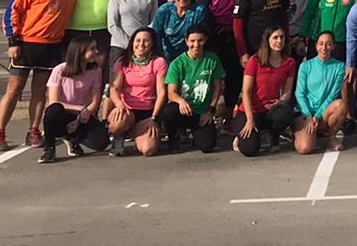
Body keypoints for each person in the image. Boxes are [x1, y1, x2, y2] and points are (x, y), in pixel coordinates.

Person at [0, 0, 78, 151]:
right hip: (26, 44)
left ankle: (33, 130)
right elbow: (12, 11)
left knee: (39, 91)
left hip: (51, 47)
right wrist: (13, 42)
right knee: (14, 90)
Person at [37, 37, 109, 163]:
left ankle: (73, 139)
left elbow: (95, 100)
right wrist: (79, 109)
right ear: (80, 51)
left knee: (101, 143)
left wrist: (87, 112)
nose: (97, 51)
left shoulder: (96, 70)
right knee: (53, 111)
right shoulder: (60, 70)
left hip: (81, 115)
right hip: (63, 113)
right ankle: (50, 149)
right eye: (92, 49)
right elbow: (54, 102)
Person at [235, 26, 297, 157]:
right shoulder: (255, 61)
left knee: (285, 113)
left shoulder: (289, 62)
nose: (279, 41)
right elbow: (245, 91)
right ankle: (241, 135)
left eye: (282, 37)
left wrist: (280, 101)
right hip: (250, 111)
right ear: (267, 40)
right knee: (249, 150)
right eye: (275, 37)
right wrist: (250, 119)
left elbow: (287, 91)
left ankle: (273, 135)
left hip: (270, 109)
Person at [163, 28, 225, 153]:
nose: (196, 45)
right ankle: (173, 137)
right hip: (183, 110)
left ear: (205, 40)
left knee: (207, 146)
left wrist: (211, 110)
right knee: (169, 111)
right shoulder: (177, 63)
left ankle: (196, 137)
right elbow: (171, 93)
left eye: (200, 40)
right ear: (186, 41)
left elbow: (218, 87)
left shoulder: (212, 60)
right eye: (192, 41)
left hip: (202, 112)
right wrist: (181, 101)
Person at [107, 27, 167, 157]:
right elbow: (114, 89)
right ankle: (119, 137)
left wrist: (153, 118)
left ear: (152, 44)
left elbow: (161, 93)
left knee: (148, 150)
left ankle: (137, 133)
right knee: (117, 123)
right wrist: (119, 105)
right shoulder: (122, 61)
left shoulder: (159, 62)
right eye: (137, 40)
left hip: (148, 112)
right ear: (132, 42)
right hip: (127, 110)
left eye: (146, 41)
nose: (141, 44)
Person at [293, 31, 349, 154]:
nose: (324, 48)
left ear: (333, 46)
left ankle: (331, 137)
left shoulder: (339, 66)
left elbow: (332, 95)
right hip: (304, 113)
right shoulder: (305, 66)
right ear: (316, 46)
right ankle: (298, 132)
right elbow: (299, 93)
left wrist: (317, 116)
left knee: (340, 105)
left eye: (328, 44)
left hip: (322, 114)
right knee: (304, 148)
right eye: (321, 44)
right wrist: (308, 115)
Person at [106, 0, 160, 68]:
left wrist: (142, 43)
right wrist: (130, 44)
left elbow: (154, 21)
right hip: (120, 46)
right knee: (116, 82)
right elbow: (112, 24)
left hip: (143, 47)